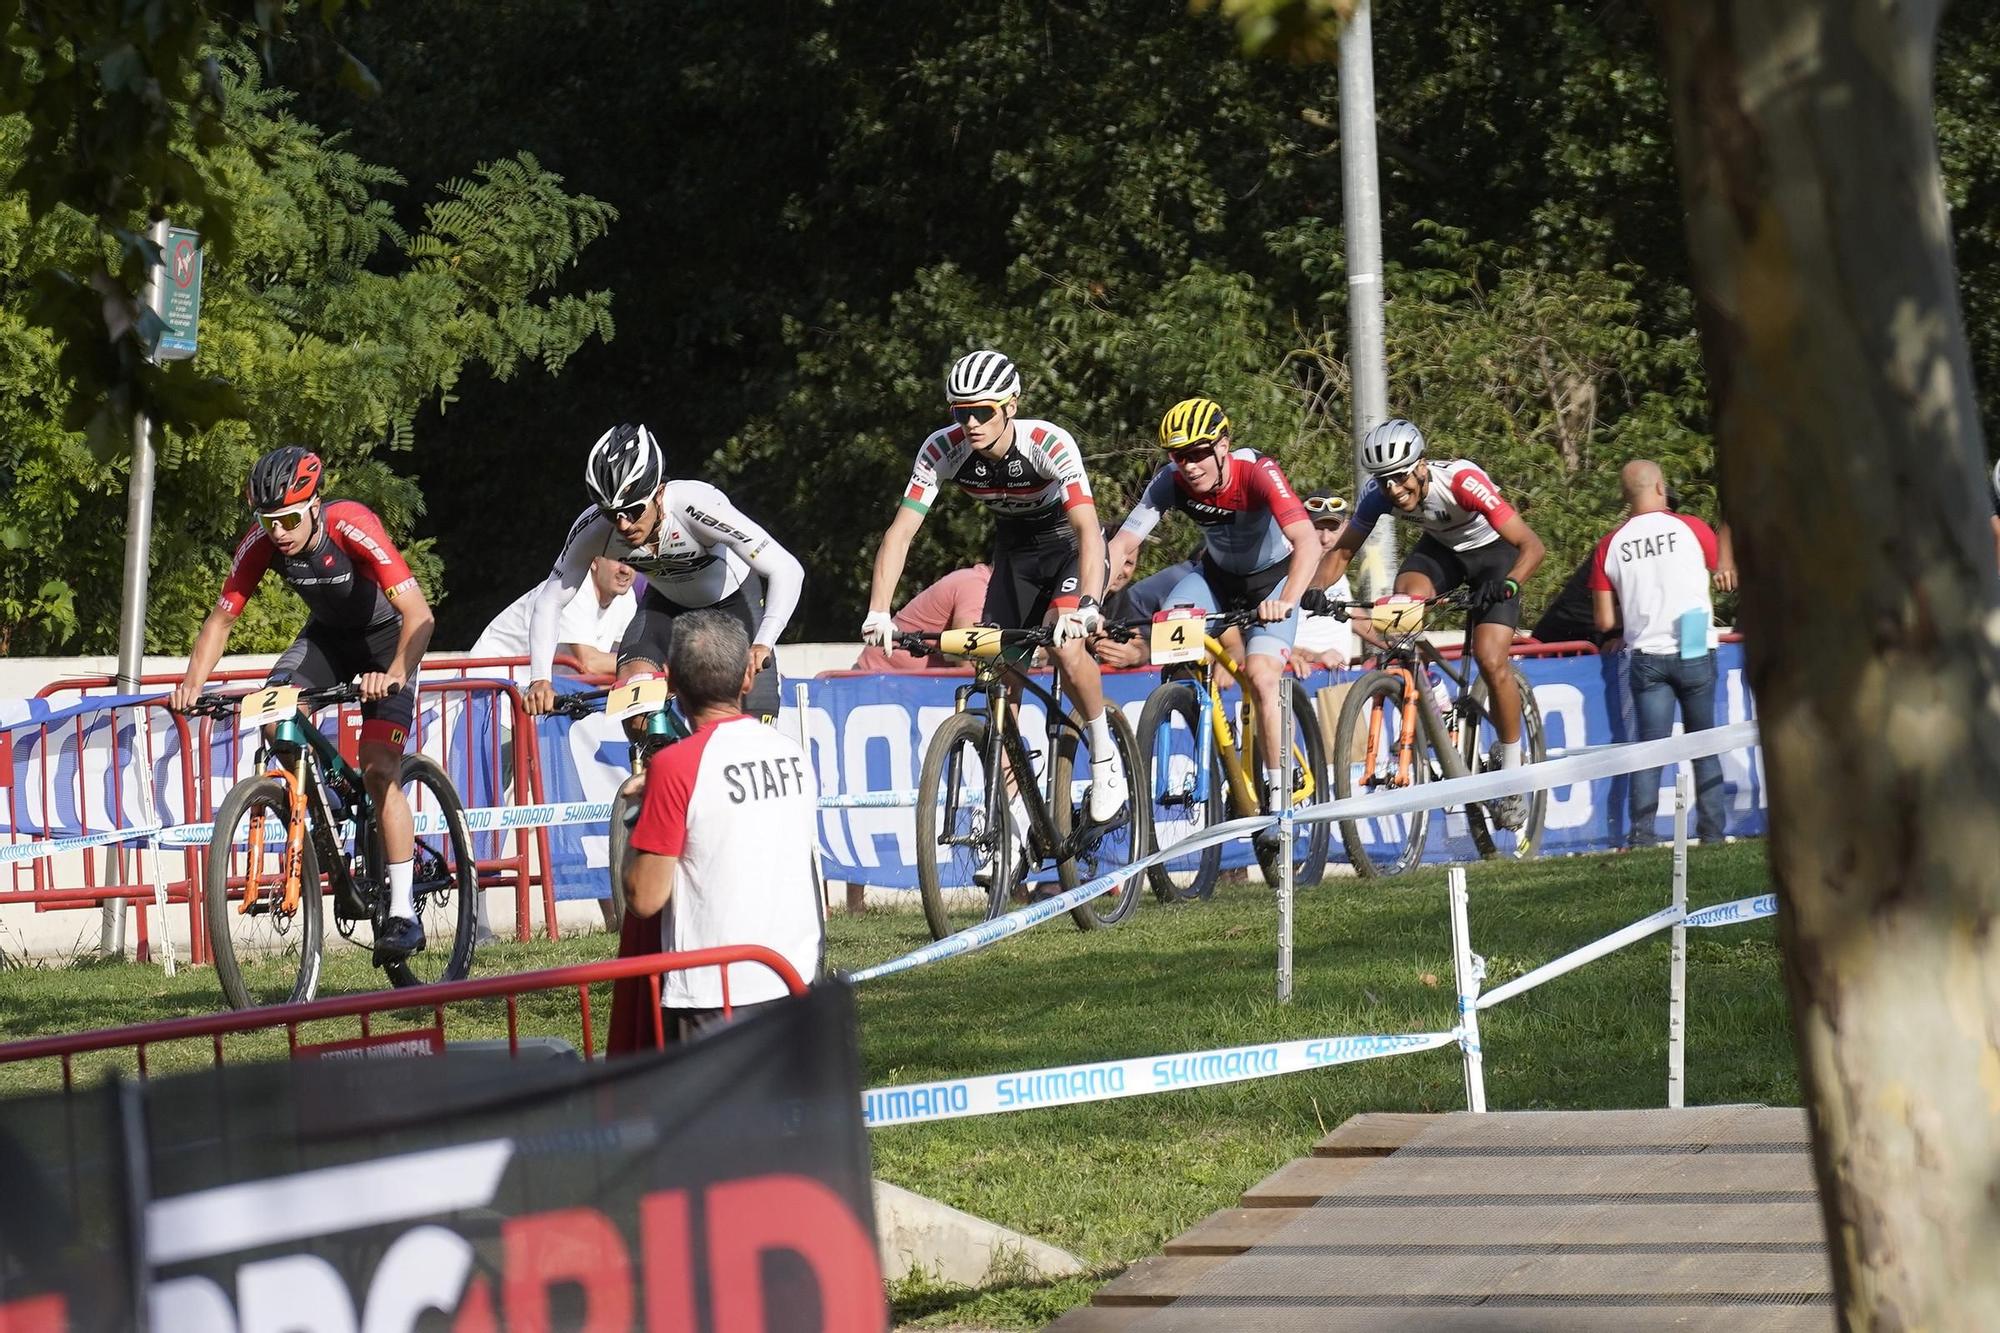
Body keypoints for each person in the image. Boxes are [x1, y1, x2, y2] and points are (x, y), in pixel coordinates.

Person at [170, 446, 435, 960]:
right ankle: (322, 809)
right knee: (276, 716)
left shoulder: (350, 524)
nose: (281, 533)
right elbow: (221, 620)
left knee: (380, 769)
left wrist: (397, 672)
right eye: (269, 522)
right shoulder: (261, 542)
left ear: (314, 505)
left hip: (389, 641)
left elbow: (419, 614)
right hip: (327, 642)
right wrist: (192, 684)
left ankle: (402, 911)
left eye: (291, 518)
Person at [859, 349, 1127, 824]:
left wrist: (1086, 605)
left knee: (1067, 649)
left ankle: (1104, 754)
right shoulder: (942, 449)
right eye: (962, 413)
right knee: (999, 674)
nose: (972, 423)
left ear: (1011, 405)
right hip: (1014, 557)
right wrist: (879, 610)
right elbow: (900, 533)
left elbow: (1088, 530)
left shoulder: (1049, 442)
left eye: (983, 411)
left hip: (1067, 547)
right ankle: (1014, 815)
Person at [1308, 418, 1546, 829]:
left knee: (1491, 660)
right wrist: (1310, 591)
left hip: (1496, 555)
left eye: (1400, 478)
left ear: (1420, 466)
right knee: (1399, 609)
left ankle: (1512, 775)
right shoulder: (1376, 495)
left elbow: (1532, 545)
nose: (1394, 491)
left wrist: (1508, 585)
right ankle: (1433, 690)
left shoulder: (1461, 482)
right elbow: (1341, 555)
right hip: (1442, 552)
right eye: (1384, 482)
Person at [1106, 397, 1318, 847]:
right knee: (1169, 629)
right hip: (1216, 578)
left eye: (1199, 452)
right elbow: (1123, 542)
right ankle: (1190, 713)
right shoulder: (1171, 481)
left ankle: (1279, 801)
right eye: (1179, 456)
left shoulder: (1257, 471)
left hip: (1272, 584)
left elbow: (1307, 542)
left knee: (1262, 676)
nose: (1190, 465)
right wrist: (1086, 598)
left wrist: (1288, 599)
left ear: (1223, 445)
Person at [621, 610, 824, 1042]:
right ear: (746, 679)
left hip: (714, 995)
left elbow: (644, 895)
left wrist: (637, 812)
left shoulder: (676, 767)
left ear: (671, 682)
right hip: (794, 977)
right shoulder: (793, 754)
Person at [520, 423, 804, 722]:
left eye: (632, 511)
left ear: (658, 492)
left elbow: (787, 568)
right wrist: (540, 678)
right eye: (610, 514)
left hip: (732, 604)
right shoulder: (593, 529)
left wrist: (763, 642)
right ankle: (656, 760)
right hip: (665, 607)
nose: (623, 525)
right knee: (635, 707)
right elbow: (550, 599)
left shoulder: (697, 505)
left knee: (752, 725)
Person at [1590, 459, 1727, 846]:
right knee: (1706, 745)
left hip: (1646, 655)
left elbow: (1603, 620)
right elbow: (1720, 571)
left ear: (1625, 496)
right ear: (1661, 487)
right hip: (1696, 647)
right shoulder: (1693, 528)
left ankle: (1642, 835)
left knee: (1651, 751)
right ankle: (1713, 834)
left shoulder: (1610, 545)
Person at [469, 557, 638, 675]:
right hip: (489, 690)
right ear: (594, 561)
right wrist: (647, 663)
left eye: (632, 559)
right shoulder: (570, 588)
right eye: (617, 559)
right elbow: (590, 662)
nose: (625, 569)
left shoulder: (626, 597)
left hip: (533, 693)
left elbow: (622, 656)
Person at [851, 564, 992, 672]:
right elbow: (968, 662)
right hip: (880, 682)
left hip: (900, 685)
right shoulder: (977, 586)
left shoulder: (975, 581)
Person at [1291, 491, 1360, 673]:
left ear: (1345, 528)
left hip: (1334, 679)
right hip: (1301, 676)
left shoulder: (1335, 568)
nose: (1325, 538)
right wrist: (1315, 657)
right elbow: (1260, 637)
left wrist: (1392, 643)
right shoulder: (1287, 570)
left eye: (1333, 529)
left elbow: (1352, 614)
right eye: (1318, 528)